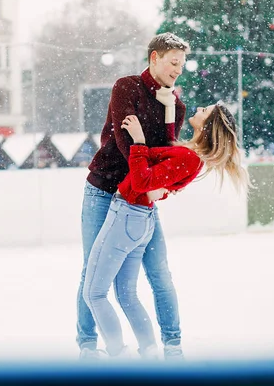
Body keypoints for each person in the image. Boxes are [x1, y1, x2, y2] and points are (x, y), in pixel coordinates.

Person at [83, 103, 251, 359]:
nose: (201, 108)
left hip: (127, 216)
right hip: (138, 218)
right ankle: (150, 354)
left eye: (206, 111)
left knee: (94, 293)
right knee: (126, 294)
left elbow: (141, 180)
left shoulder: (190, 158)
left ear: (208, 126)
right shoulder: (188, 153)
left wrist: (138, 141)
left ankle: (118, 356)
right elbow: (155, 171)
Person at [77, 32, 190, 360]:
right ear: (154, 58)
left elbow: (168, 156)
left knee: (158, 271)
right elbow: (128, 145)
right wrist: (149, 171)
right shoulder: (126, 87)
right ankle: (87, 345)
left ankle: (172, 344)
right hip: (104, 190)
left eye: (182, 65)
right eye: (173, 62)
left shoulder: (176, 106)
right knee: (91, 271)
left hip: (138, 202)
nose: (178, 70)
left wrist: (169, 118)